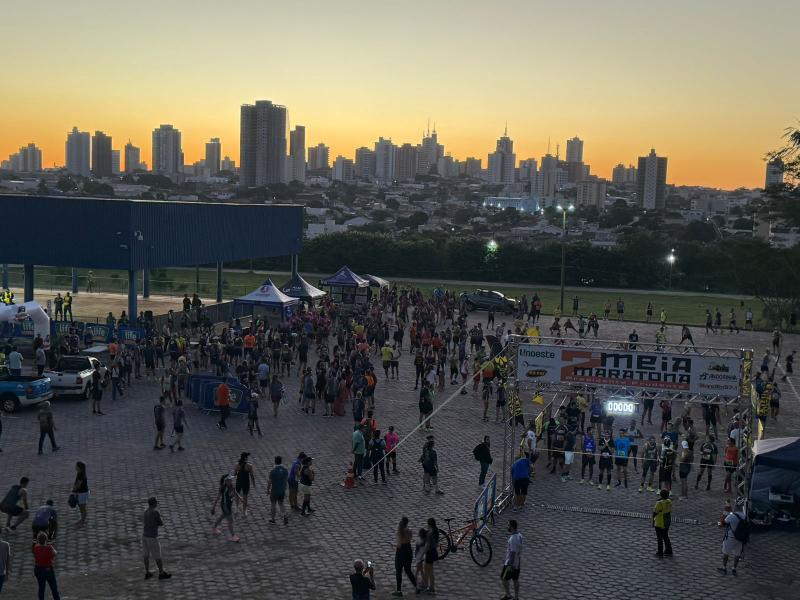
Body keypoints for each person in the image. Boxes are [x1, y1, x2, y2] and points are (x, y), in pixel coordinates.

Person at [142, 497, 171, 580]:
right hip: (152, 537)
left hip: (144, 536)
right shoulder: (155, 512)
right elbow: (160, 523)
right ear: (154, 503)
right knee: (157, 555)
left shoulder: (145, 512)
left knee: (146, 555)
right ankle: (161, 573)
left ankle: (147, 572)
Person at [717, 502, 748, 576]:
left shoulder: (732, 516)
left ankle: (724, 568)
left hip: (730, 537)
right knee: (737, 554)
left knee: (726, 552)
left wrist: (720, 521)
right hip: (740, 538)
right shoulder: (745, 516)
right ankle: (734, 568)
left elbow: (722, 524)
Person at [211, 475, 241, 542]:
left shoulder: (231, 486)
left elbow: (235, 491)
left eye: (231, 479)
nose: (231, 481)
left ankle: (214, 528)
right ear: (226, 481)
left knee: (222, 516)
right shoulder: (223, 488)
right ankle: (233, 536)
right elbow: (218, 498)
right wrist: (213, 507)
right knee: (230, 520)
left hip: (229, 505)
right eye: (230, 480)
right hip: (225, 506)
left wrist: (240, 497)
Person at [32, 531, 61, 600]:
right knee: (54, 588)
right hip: (48, 569)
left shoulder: (35, 548)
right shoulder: (49, 548)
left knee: (41, 588)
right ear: (46, 540)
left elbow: (35, 554)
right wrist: (50, 545)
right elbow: (55, 553)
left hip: (38, 569)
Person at [393, 516, 416, 597]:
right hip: (408, 550)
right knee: (408, 570)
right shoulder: (409, 531)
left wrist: (394, 545)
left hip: (401, 552)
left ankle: (399, 590)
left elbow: (399, 545)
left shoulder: (400, 532)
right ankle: (416, 586)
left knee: (398, 571)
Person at [500, 519, 522, 600]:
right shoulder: (519, 535)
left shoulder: (513, 539)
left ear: (512, 527)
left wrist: (509, 565)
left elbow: (512, 553)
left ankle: (508, 595)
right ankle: (516, 598)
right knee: (515, 580)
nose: (507, 526)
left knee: (503, 578)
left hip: (511, 563)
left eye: (508, 525)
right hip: (517, 563)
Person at [267, 456, 289, 525]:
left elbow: (270, 482)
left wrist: (267, 490)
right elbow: (286, 480)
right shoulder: (285, 470)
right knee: (281, 503)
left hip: (274, 490)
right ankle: (285, 515)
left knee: (273, 504)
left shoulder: (273, 471)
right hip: (282, 490)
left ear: (275, 461)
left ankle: (273, 519)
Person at [653, 489, 673, 557]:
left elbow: (655, 512)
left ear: (661, 495)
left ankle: (660, 552)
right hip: (667, 522)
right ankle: (669, 550)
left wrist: (652, 520)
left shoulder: (659, 503)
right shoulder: (669, 501)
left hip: (659, 522)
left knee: (659, 538)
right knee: (665, 536)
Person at [422, 518, 439, 595]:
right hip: (434, 552)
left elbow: (427, 546)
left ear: (429, 524)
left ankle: (427, 587)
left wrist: (422, 553)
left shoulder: (430, 533)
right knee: (430, 570)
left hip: (429, 553)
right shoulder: (436, 531)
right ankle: (430, 586)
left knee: (427, 570)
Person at [72, 461, 89, 526]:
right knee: (81, 508)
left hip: (83, 493)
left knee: (82, 508)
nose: (75, 467)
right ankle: (82, 519)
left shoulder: (81, 475)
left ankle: (83, 521)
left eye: (76, 466)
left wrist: (73, 490)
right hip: (81, 493)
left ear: (79, 467)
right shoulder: (80, 473)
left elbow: (78, 484)